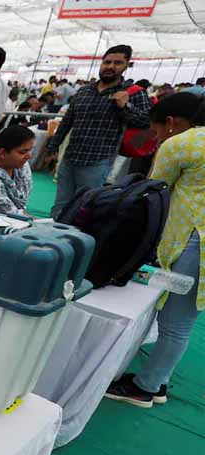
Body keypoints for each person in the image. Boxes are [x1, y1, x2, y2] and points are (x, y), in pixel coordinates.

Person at [105, 92, 204, 407]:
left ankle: (145, 387)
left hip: (188, 243)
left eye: (157, 129)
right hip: (197, 246)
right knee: (183, 321)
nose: (157, 136)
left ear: (170, 123)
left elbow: (154, 191)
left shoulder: (182, 144)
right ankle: (155, 381)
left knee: (172, 322)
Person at [46, 45, 152, 217]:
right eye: (107, 62)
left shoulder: (132, 93)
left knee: (84, 209)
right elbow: (67, 121)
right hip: (70, 157)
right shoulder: (84, 91)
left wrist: (125, 106)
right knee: (60, 205)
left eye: (117, 63)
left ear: (126, 65)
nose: (110, 66)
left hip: (98, 161)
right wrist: (52, 147)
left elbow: (147, 124)